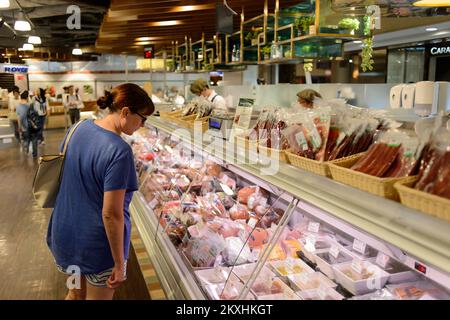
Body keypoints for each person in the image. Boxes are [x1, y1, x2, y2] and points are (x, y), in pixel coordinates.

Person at [47, 83, 154, 300]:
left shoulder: (78, 128)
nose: (142, 125)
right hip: (96, 247)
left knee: (75, 294)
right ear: (125, 112)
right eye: (142, 118)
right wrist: (118, 262)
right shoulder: (119, 151)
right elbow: (111, 214)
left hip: (66, 238)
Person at [16, 91, 39, 157]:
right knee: (34, 140)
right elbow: (35, 115)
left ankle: (26, 150)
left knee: (26, 139)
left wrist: (19, 127)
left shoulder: (18, 107)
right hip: (32, 126)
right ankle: (34, 154)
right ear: (27, 98)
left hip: (24, 128)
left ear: (20, 98)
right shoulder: (31, 106)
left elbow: (19, 119)